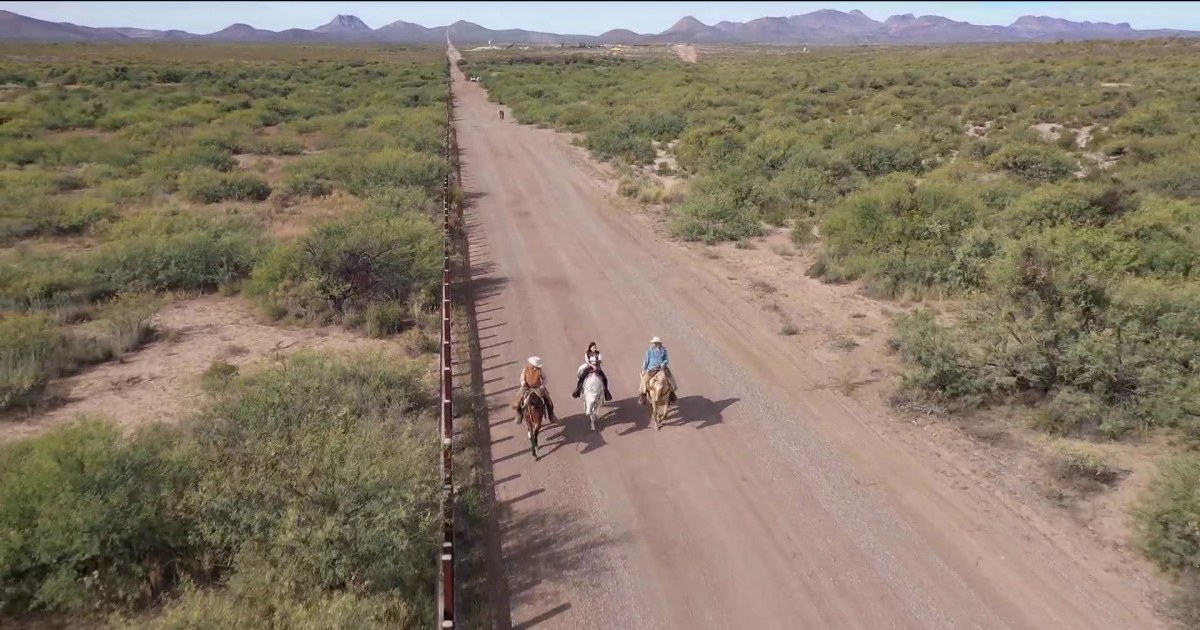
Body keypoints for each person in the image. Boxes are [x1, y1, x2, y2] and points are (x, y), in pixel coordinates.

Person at [514, 356, 558, 424]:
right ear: (531, 364)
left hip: (538, 387)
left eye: (536, 366)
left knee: (548, 401)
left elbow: (545, 378)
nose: (535, 367)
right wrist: (523, 383)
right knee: (518, 399)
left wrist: (542, 386)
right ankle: (519, 415)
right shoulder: (526, 369)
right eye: (534, 366)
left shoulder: (540, 370)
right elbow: (522, 378)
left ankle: (551, 415)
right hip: (527, 387)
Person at [639, 336, 677, 405]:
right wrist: (643, 368)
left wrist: (664, 363)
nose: (656, 344)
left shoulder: (663, 350)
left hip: (662, 368)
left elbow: (666, 359)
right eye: (654, 343)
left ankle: (672, 393)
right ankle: (643, 395)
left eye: (657, 343)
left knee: (671, 378)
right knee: (644, 380)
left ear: (660, 343)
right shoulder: (649, 351)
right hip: (652, 368)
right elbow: (646, 360)